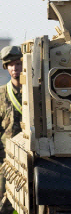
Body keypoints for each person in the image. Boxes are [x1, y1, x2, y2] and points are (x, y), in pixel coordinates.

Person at [0, 46, 23, 214]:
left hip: (30, 156)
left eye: (18, 63)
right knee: (4, 202)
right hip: (7, 159)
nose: (15, 68)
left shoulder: (35, 90)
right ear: (6, 68)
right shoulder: (1, 94)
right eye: (10, 65)